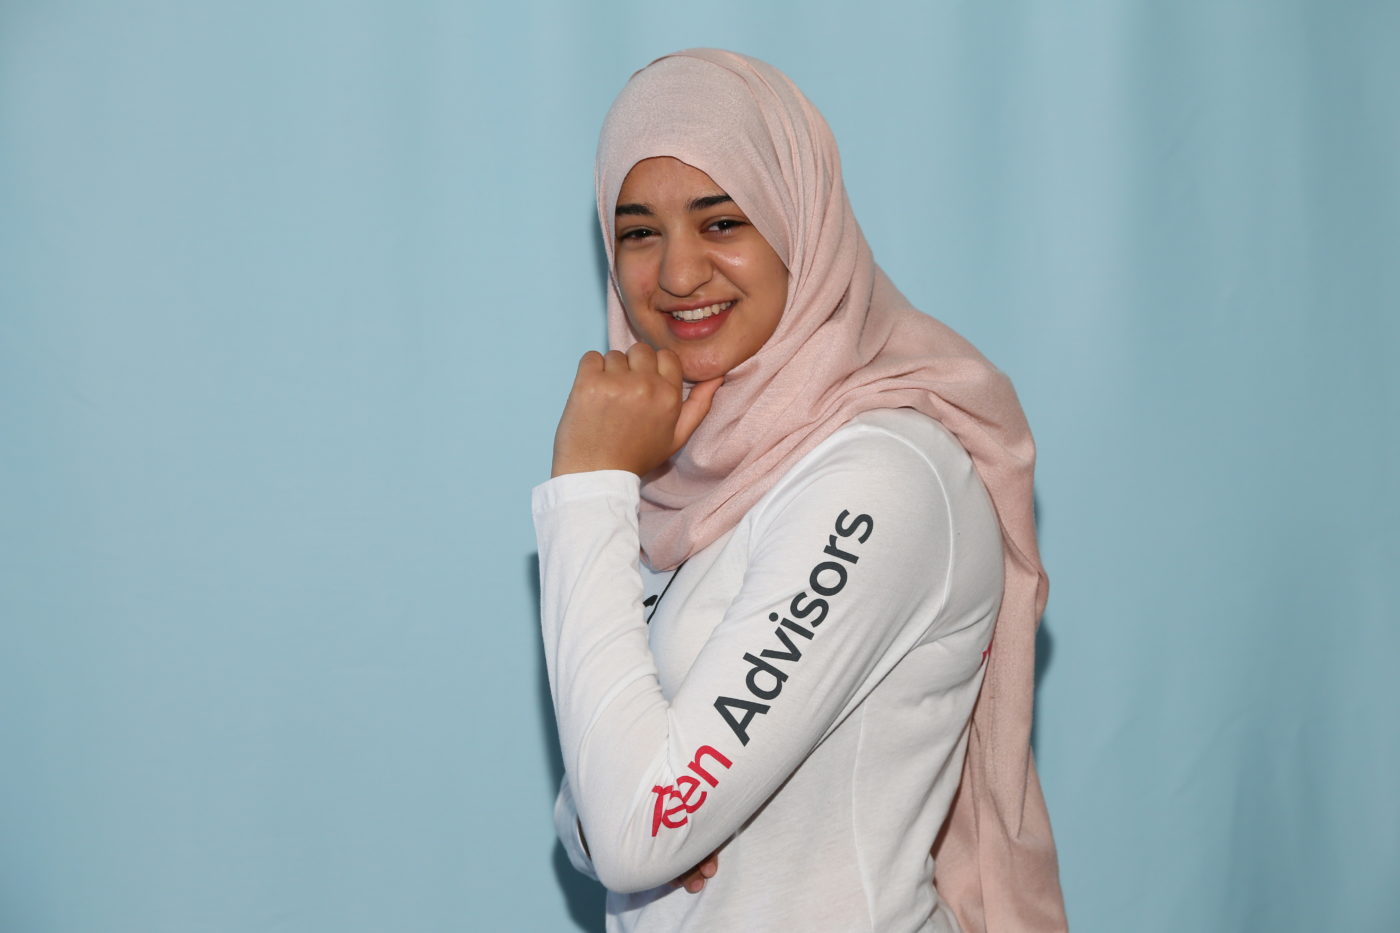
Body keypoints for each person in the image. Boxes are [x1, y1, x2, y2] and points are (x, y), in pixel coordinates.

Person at [533, 49, 1067, 932]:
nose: (674, 274)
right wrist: (623, 810)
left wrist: (588, 490)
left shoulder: (880, 478)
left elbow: (634, 829)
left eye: (721, 222)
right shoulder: (697, 481)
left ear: (799, 220)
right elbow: (600, 803)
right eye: (637, 231)